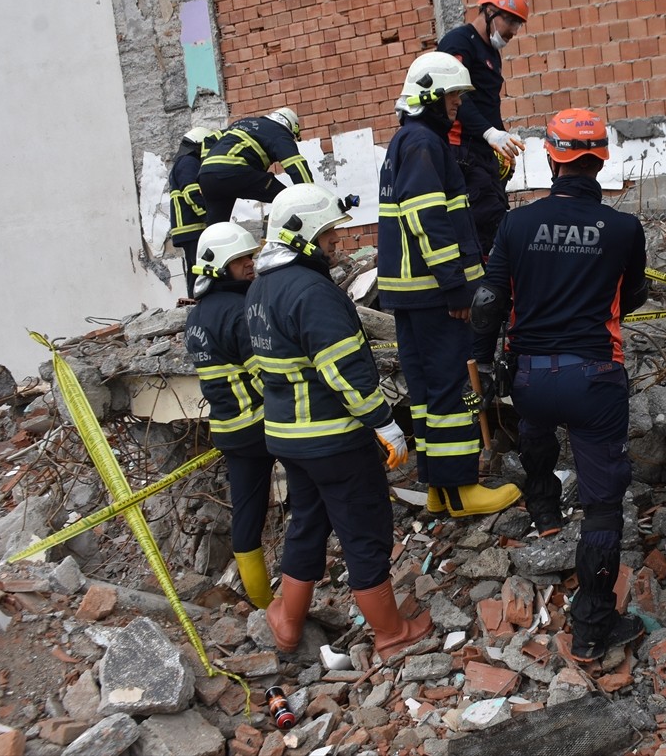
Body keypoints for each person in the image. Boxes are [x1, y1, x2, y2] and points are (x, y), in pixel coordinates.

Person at [471, 108, 649, 662]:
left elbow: (489, 301)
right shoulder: (623, 229)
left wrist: (482, 358)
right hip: (595, 376)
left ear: (552, 157)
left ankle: (545, 513)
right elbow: (635, 295)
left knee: (535, 430)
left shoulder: (516, 225)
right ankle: (593, 626)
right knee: (602, 507)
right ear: (600, 159)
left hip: (531, 374)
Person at [247, 183, 432, 658]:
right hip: (333, 439)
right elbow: (343, 369)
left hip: (288, 437)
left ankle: (287, 625)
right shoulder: (312, 292)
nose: (336, 243)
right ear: (305, 234)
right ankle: (392, 634)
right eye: (329, 233)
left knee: (308, 523)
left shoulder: (259, 288)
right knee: (364, 528)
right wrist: (383, 421)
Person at [373, 51, 519, 518]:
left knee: (428, 392)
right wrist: (455, 287)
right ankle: (461, 489)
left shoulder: (407, 142)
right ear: (432, 97)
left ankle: (438, 486)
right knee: (453, 390)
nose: (458, 103)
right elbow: (429, 219)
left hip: (413, 295)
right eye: (453, 95)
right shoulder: (423, 144)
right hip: (436, 295)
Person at [184, 222, 275, 608]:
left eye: (250, 257)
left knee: (247, 517)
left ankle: (263, 604)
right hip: (262, 424)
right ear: (221, 266)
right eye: (240, 260)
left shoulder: (197, 317)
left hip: (230, 430)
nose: (250, 265)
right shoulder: (239, 312)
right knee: (316, 492)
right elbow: (266, 372)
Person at [438, 0, 529, 254]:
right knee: (486, 220)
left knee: (495, 215)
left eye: (518, 25)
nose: (513, 31)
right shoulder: (458, 43)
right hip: (461, 151)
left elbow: (487, 105)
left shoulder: (490, 51)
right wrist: (491, 134)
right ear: (489, 12)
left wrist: (502, 143)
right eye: (511, 22)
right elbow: (456, 98)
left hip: (480, 152)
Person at [199, 107, 312, 224]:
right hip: (233, 172)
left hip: (206, 177)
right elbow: (296, 165)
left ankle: (213, 241)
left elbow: (209, 139)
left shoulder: (245, 123)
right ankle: (280, 232)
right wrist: (311, 193)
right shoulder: (278, 132)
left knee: (217, 227)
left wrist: (205, 166)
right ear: (291, 127)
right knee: (285, 198)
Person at [169, 126, 219, 297]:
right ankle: (203, 301)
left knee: (195, 269)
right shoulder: (189, 162)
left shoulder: (183, 162)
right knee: (202, 266)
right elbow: (191, 193)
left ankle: (195, 301)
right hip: (192, 226)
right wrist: (208, 217)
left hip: (188, 228)